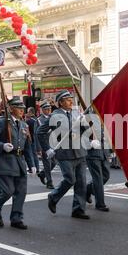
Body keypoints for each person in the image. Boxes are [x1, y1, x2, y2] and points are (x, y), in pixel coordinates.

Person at [37, 89, 90, 219]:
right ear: (60, 102)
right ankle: (53, 197)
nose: (70, 101)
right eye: (67, 99)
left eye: (71, 99)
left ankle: (78, 209)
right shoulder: (54, 115)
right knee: (70, 179)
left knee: (81, 183)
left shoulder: (76, 113)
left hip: (79, 152)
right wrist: (47, 149)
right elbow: (40, 132)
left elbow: (83, 131)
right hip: (64, 153)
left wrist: (85, 124)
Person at [0, 96, 35, 230]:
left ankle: (16, 218)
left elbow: (28, 146)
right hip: (5, 161)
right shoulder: (3, 122)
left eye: (23, 108)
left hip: (20, 162)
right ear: (11, 109)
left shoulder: (24, 124)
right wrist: (2, 146)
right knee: (8, 191)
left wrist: (32, 164)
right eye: (19, 108)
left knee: (21, 192)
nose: (21, 111)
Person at [85, 123, 111, 212]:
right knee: (98, 179)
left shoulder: (103, 121)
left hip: (104, 153)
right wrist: (90, 143)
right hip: (93, 154)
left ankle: (87, 189)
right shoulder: (86, 120)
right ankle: (100, 204)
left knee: (106, 176)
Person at [36, 102, 57, 189]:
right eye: (46, 109)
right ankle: (49, 182)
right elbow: (36, 134)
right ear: (43, 110)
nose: (48, 111)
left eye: (49, 109)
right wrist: (39, 148)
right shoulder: (39, 120)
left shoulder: (52, 118)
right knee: (47, 164)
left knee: (54, 163)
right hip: (44, 145)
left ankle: (42, 174)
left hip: (52, 144)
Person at [25, 107, 40, 176]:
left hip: (31, 139)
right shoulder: (37, 119)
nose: (27, 113)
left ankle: (32, 167)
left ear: (30, 112)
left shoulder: (29, 121)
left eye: (28, 112)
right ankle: (37, 168)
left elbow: (27, 130)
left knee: (31, 154)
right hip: (36, 139)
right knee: (35, 154)